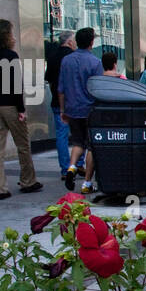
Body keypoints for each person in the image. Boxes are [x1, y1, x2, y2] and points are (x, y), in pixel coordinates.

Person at [0, 19, 42, 200]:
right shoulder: (11, 56)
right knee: (22, 145)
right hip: (10, 105)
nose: (14, 37)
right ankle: (28, 181)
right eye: (11, 33)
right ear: (6, 35)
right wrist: (21, 108)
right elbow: (16, 85)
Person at [57, 26, 103, 192]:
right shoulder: (95, 62)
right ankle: (87, 183)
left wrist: (63, 110)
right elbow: (98, 89)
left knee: (77, 142)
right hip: (90, 109)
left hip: (72, 108)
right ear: (91, 43)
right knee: (91, 146)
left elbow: (61, 89)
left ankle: (71, 167)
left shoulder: (66, 61)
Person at [44, 30, 75, 173]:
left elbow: (49, 80)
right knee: (78, 136)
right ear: (69, 42)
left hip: (57, 101)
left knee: (61, 136)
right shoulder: (73, 57)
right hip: (74, 102)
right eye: (74, 40)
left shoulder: (52, 57)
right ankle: (77, 165)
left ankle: (64, 168)